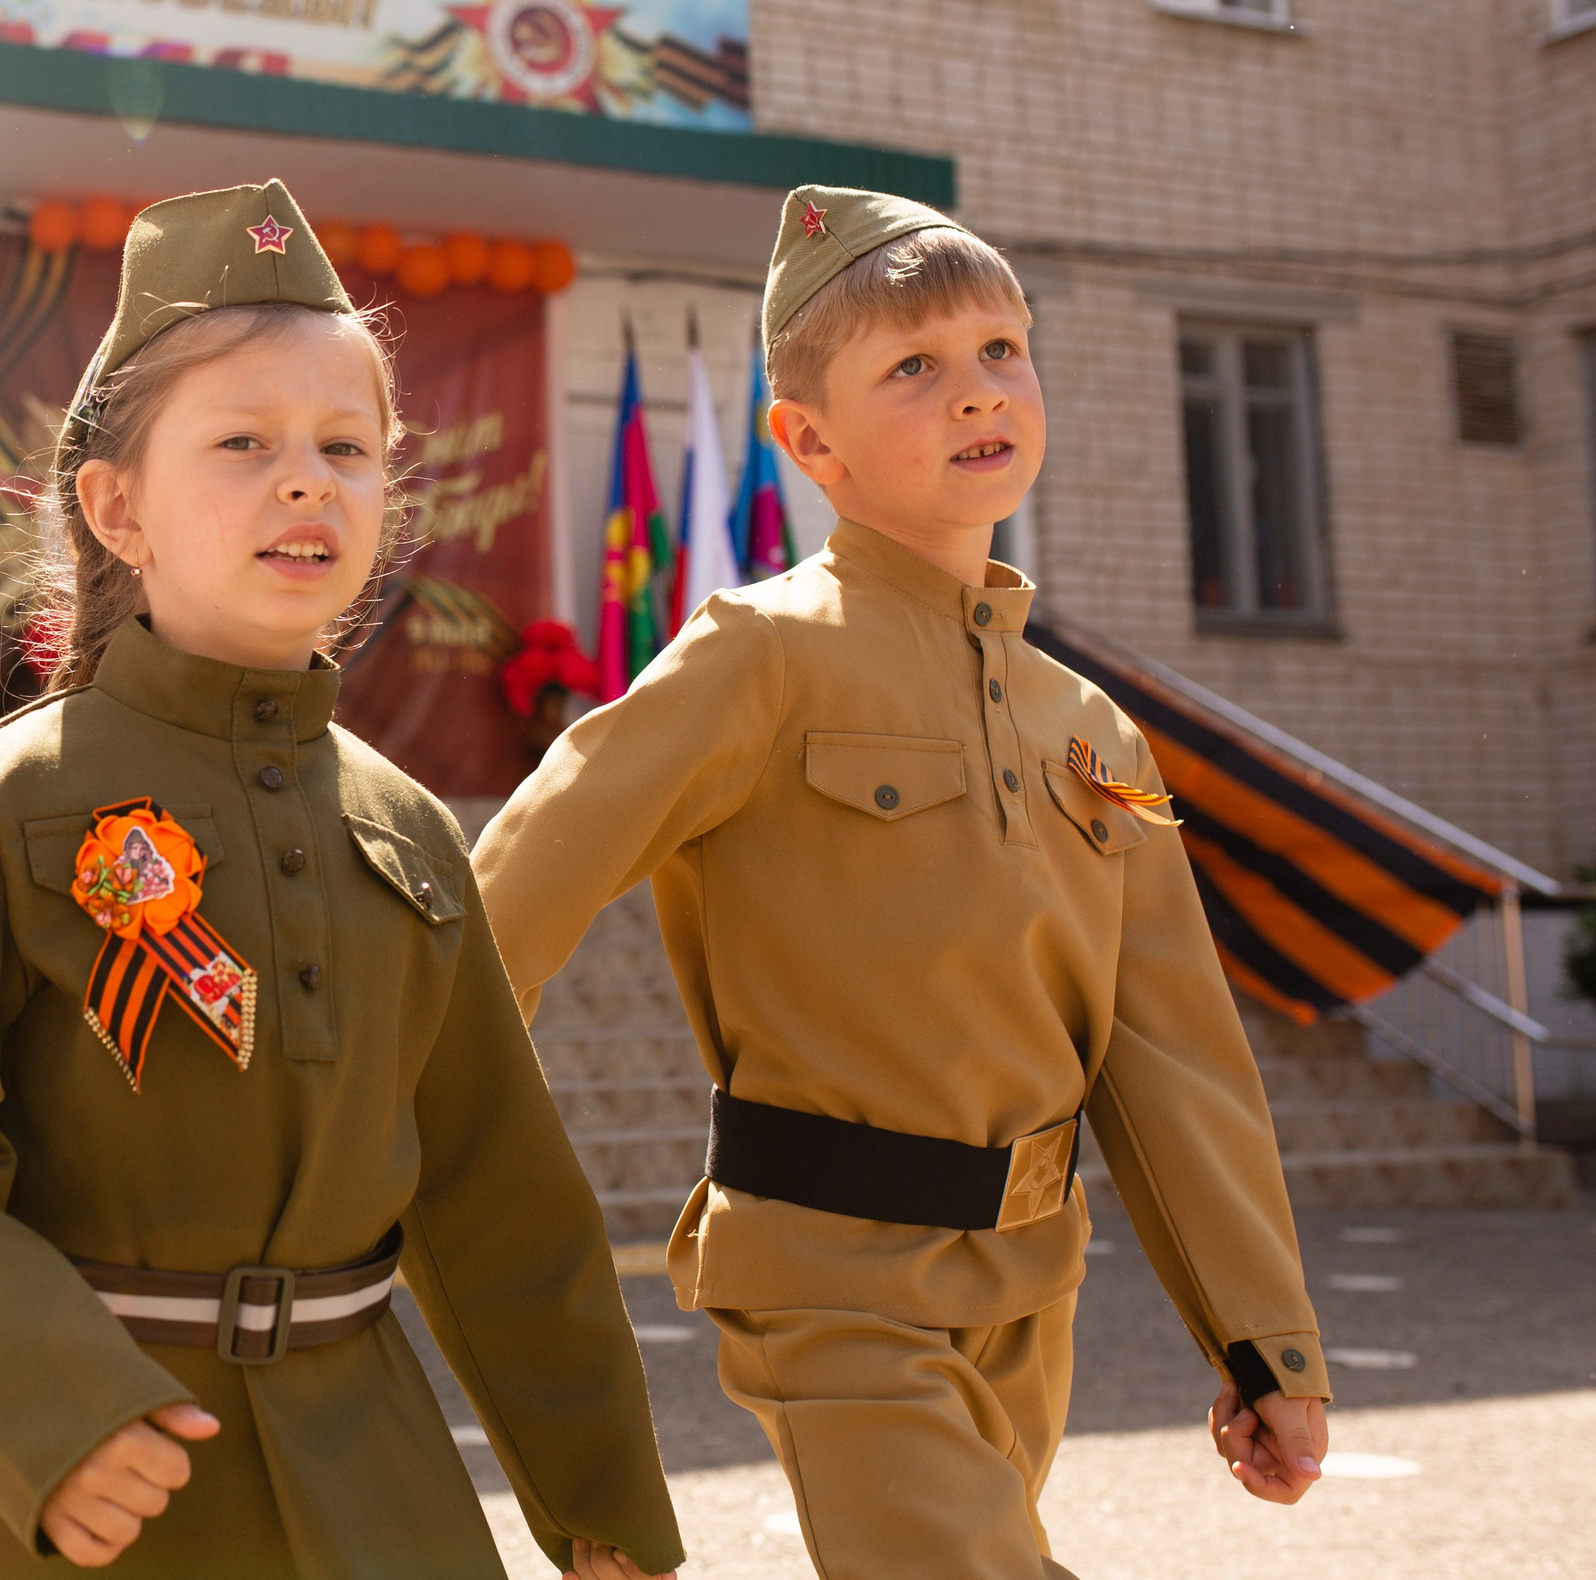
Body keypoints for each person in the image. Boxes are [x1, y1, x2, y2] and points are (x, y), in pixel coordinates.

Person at [0, 182, 683, 1580]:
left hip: (362, 1473)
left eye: (347, 447)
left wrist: (598, 1497)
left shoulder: (410, 830)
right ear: (117, 507)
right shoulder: (9, 804)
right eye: (243, 440)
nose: (307, 479)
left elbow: (501, 1196)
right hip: (81, 1473)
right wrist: (55, 1411)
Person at [473, 187, 1331, 1579]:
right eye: (914, 368)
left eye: (1001, 348)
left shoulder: (1095, 733)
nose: (977, 392)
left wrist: (1262, 1338)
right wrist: (368, 1139)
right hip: (828, 1281)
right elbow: (509, 898)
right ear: (807, 439)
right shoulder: (756, 656)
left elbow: (1175, 1050)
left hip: (1029, 1286)